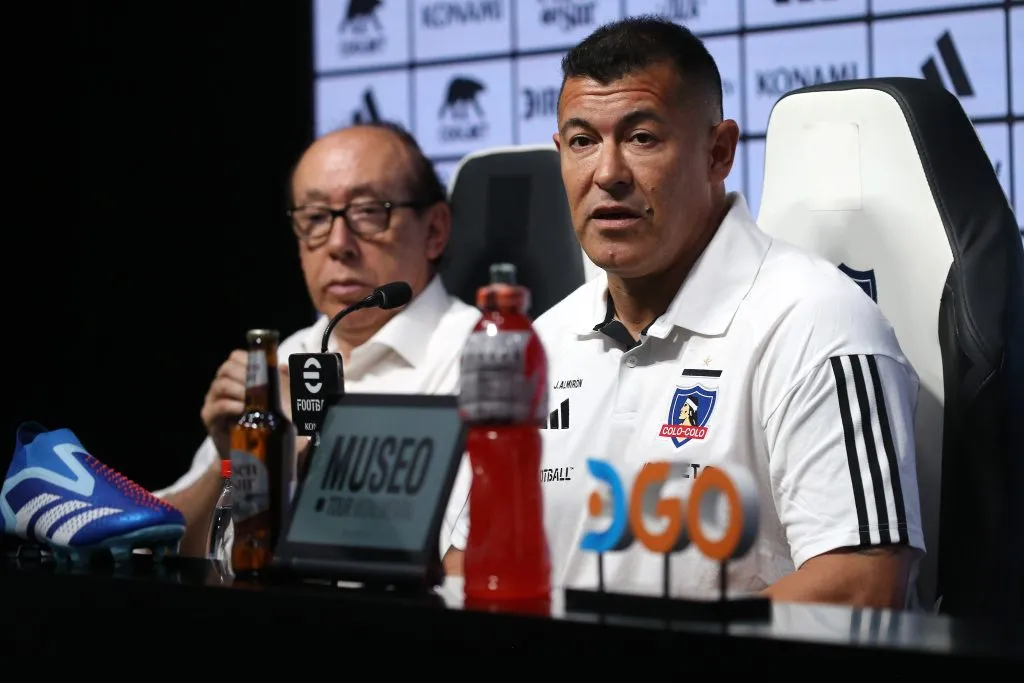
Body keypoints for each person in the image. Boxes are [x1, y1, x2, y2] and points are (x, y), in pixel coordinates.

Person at [446, 16, 925, 608]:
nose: (607, 173)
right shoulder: (540, 342)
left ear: (718, 152)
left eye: (642, 137)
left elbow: (864, 583)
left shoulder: (819, 323)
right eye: (581, 141)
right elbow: (467, 555)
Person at [156, 122, 481, 558]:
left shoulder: (480, 360)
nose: (338, 244)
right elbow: (167, 552)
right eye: (314, 218)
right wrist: (229, 459)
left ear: (436, 230)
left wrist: (309, 446)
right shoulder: (286, 358)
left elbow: (446, 560)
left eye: (368, 212)